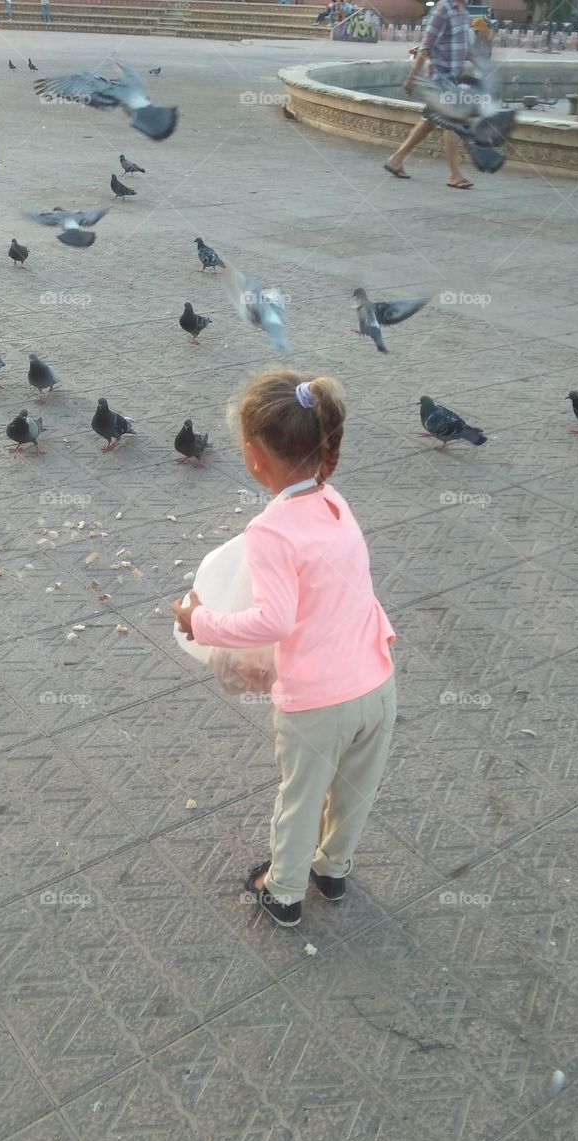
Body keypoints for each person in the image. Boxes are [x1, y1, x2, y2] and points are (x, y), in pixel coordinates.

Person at [172, 371, 396, 928]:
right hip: (377, 682)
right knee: (353, 792)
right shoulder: (335, 502)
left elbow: (274, 618)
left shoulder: (270, 530)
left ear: (252, 456)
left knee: (300, 799)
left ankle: (285, 894)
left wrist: (200, 621)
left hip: (318, 702)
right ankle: (333, 871)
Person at [383, 0, 474, 189]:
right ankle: (454, 175)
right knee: (452, 122)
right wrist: (412, 77)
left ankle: (396, 159)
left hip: (453, 78)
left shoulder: (463, 11)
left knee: (429, 122)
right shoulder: (443, 10)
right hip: (440, 77)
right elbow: (425, 48)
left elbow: (461, 45)